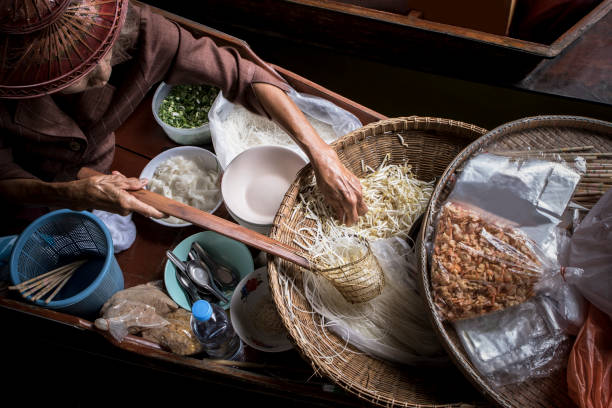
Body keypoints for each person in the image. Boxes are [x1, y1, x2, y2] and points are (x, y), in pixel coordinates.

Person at [0, 0, 367, 231]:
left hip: (101, 163)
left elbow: (241, 75)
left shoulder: (136, 29)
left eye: (103, 52)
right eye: (74, 73)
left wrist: (321, 153)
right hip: (34, 191)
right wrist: (71, 193)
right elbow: (6, 178)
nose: (101, 73)